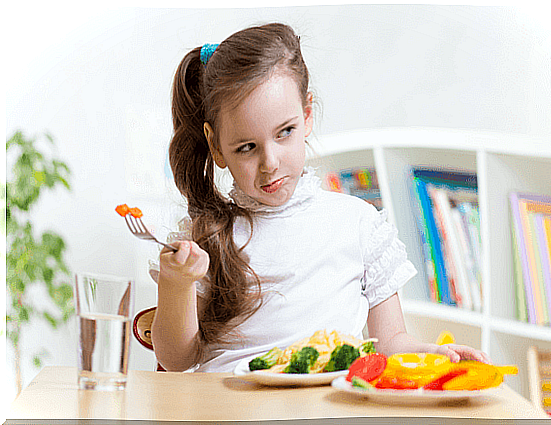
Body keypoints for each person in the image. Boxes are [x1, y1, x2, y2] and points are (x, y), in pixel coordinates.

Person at [150, 22, 491, 373]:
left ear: (307, 115)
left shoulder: (359, 224)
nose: (270, 163)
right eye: (247, 147)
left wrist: (432, 354)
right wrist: (177, 284)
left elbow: (390, 343)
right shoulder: (202, 240)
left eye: (285, 132)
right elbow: (177, 360)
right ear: (216, 146)